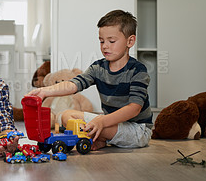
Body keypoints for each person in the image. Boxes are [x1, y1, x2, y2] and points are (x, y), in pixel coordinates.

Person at [27, 10, 153, 150]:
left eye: (111, 41)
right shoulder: (98, 68)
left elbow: (134, 109)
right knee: (66, 115)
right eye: (101, 41)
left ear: (130, 41)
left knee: (93, 125)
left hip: (137, 130)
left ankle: (99, 136)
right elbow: (73, 84)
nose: (105, 46)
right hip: (110, 124)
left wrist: (101, 121)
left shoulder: (138, 71)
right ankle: (99, 136)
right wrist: (45, 91)